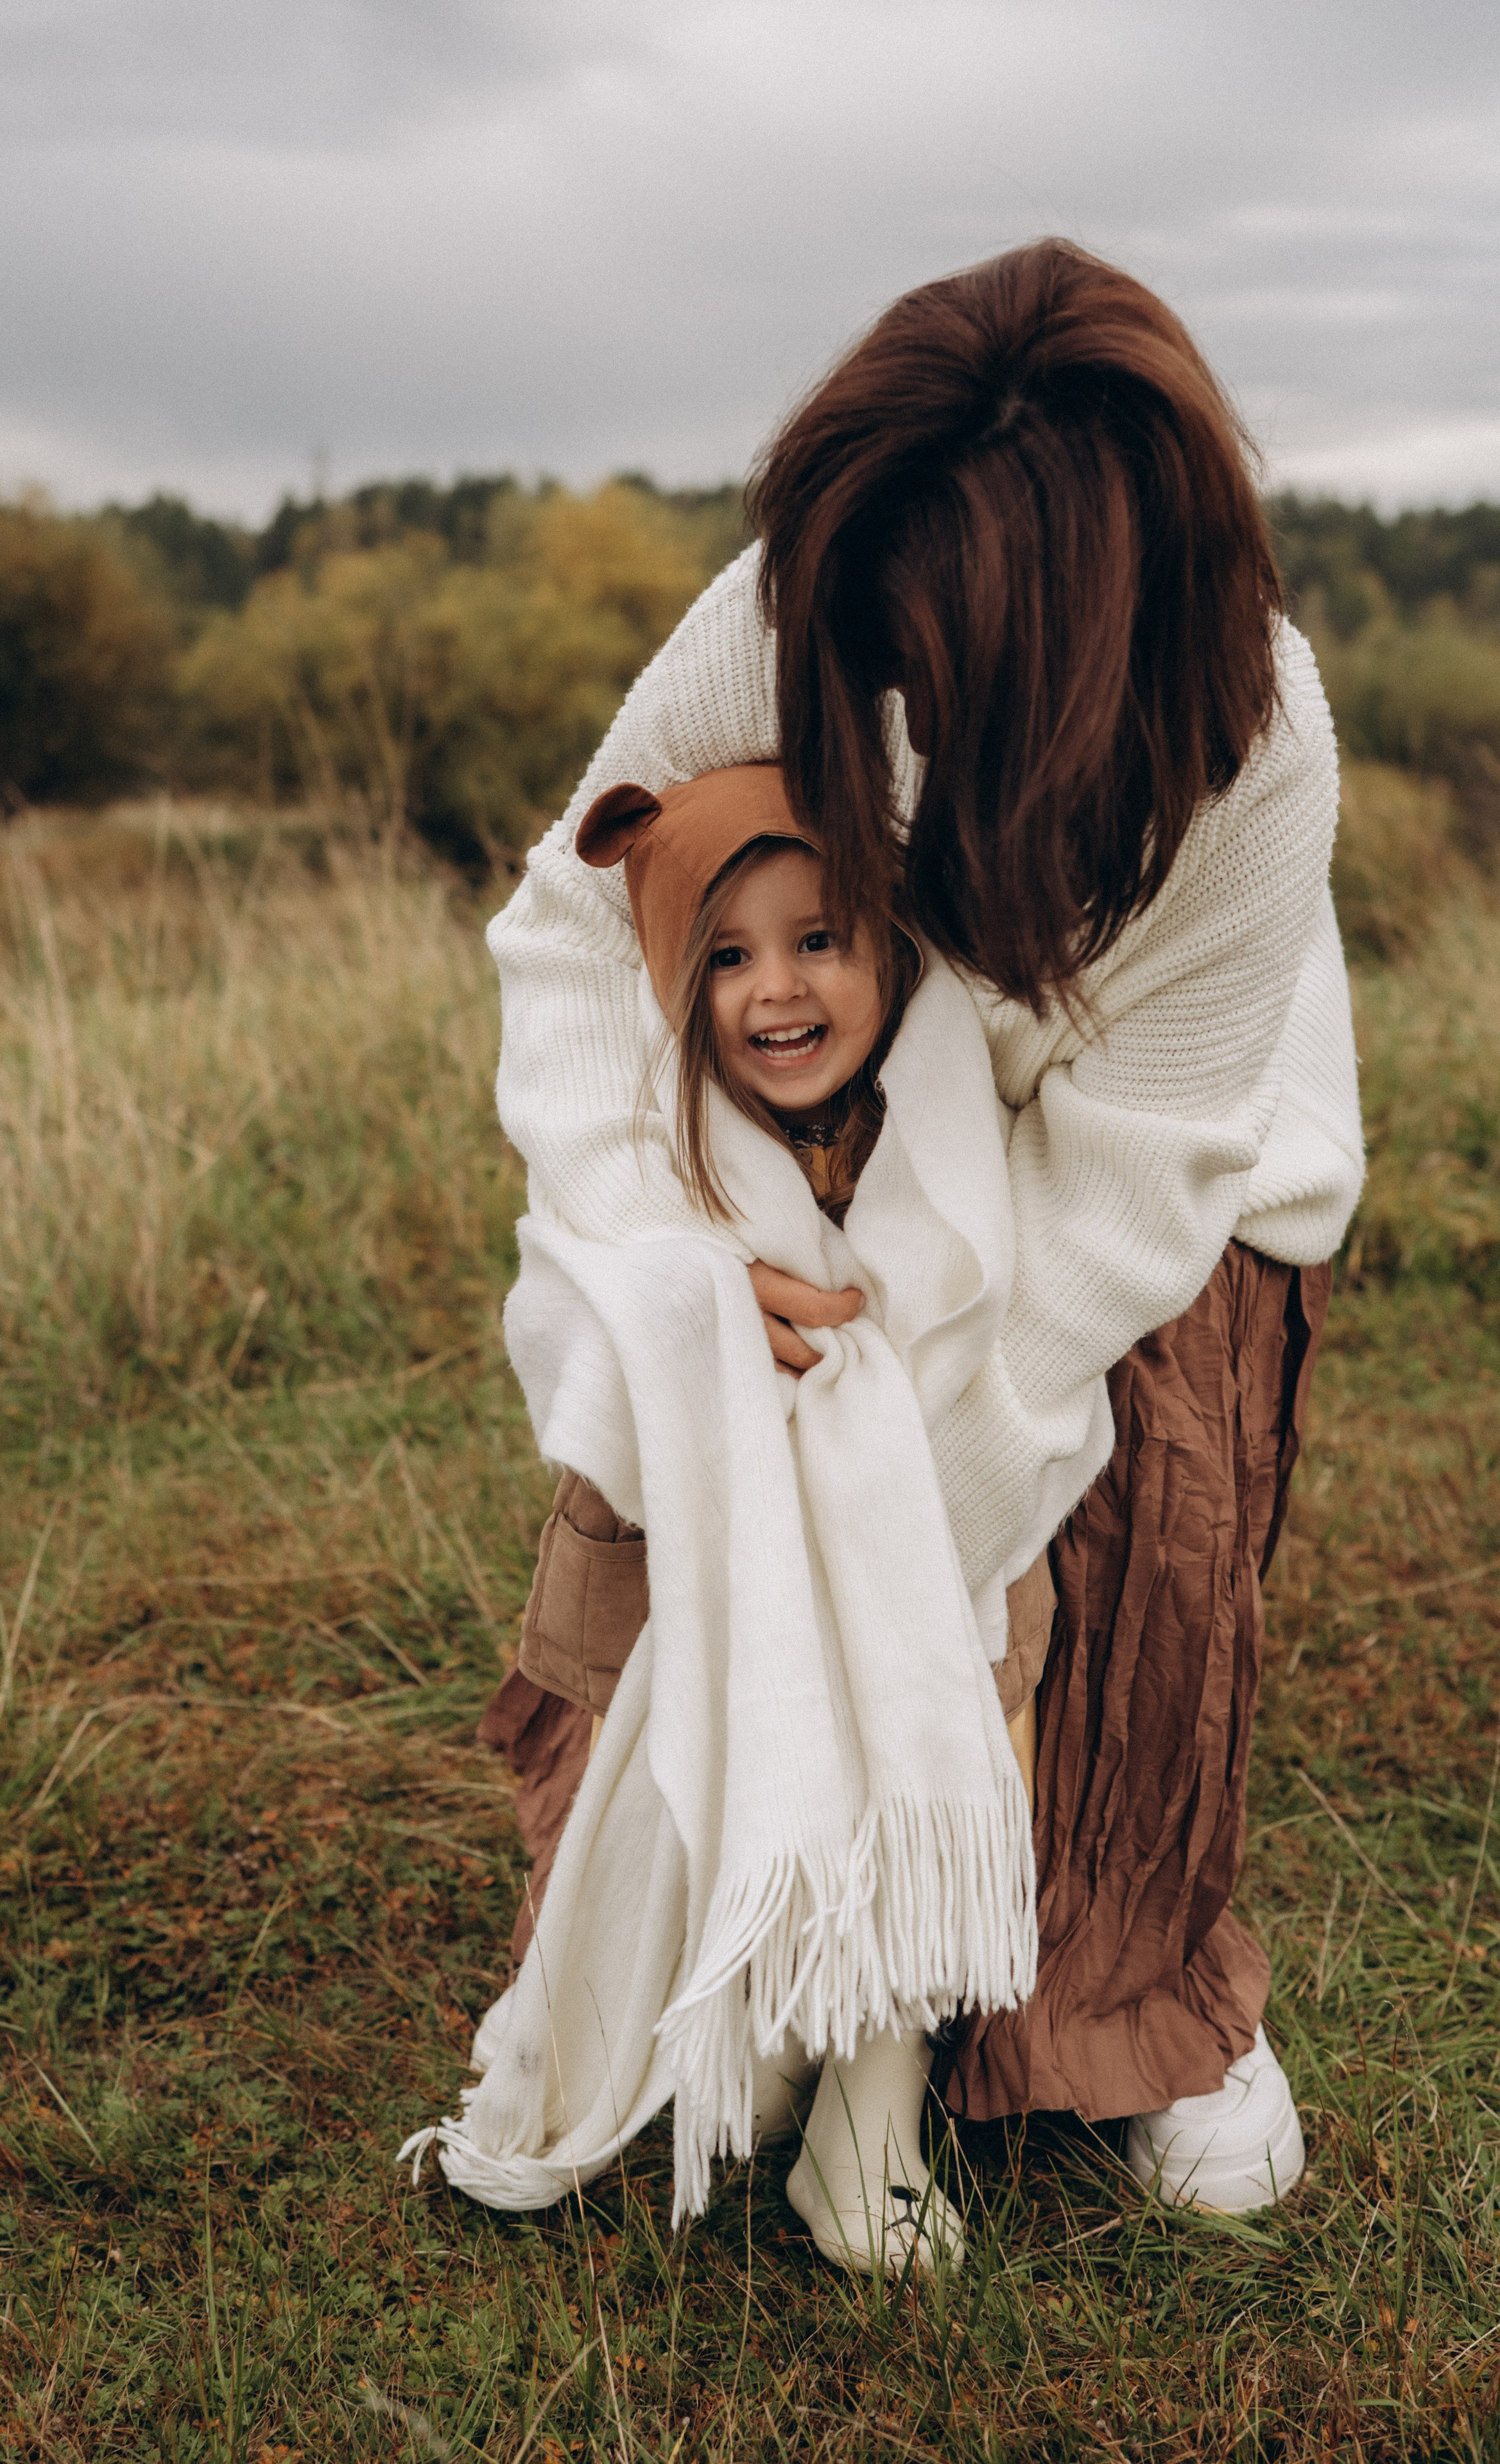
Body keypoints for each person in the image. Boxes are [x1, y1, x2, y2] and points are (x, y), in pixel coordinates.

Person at [472, 237, 1363, 2227]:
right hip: (831, 1128)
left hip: (1154, 1172)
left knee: (1111, 1504)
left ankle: (1112, 1996)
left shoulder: (1255, 751)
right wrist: (681, 1258)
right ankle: (703, 1937)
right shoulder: (804, 598)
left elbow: (1123, 1193)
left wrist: (885, 1512)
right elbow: (578, 925)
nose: (884, 695)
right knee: (698, 1416)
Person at [409, 758, 1100, 2271]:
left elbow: (1016, 1271)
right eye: (723, 956)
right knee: (704, 1765)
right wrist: (692, 1312)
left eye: (818, 940)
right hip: (688, 1541)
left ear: (889, 946)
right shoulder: (648, 1148)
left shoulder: (946, 1108)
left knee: (937, 1755)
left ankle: (870, 2121)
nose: (773, 990)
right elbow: (572, 1306)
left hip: (931, 1526)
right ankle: (744, 2025)